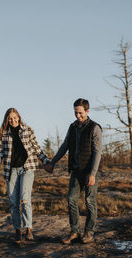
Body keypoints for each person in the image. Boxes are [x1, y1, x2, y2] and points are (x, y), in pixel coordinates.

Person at [44, 98, 102, 244]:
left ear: (87, 111)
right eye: (76, 112)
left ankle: (89, 232)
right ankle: (75, 231)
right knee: (71, 199)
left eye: (80, 113)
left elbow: (97, 152)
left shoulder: (95, 128)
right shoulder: (72, 127)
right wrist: (53, 162)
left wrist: (93, 174)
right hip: (76, 171)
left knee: (90, 201)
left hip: (90, 171)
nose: (78, 116)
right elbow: (65, 146)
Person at [0, 108, 51, 242]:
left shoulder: (27, 130)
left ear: (19, 117)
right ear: (7, 120)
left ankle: (29, 229)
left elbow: (36, 147)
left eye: (15, 117)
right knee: (13, 202)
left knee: (24, 199)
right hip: (11, 171)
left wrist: (45, 160)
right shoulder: (4, 134)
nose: (13, 120)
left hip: (27, 168)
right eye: (10, 118)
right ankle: (18, 230)